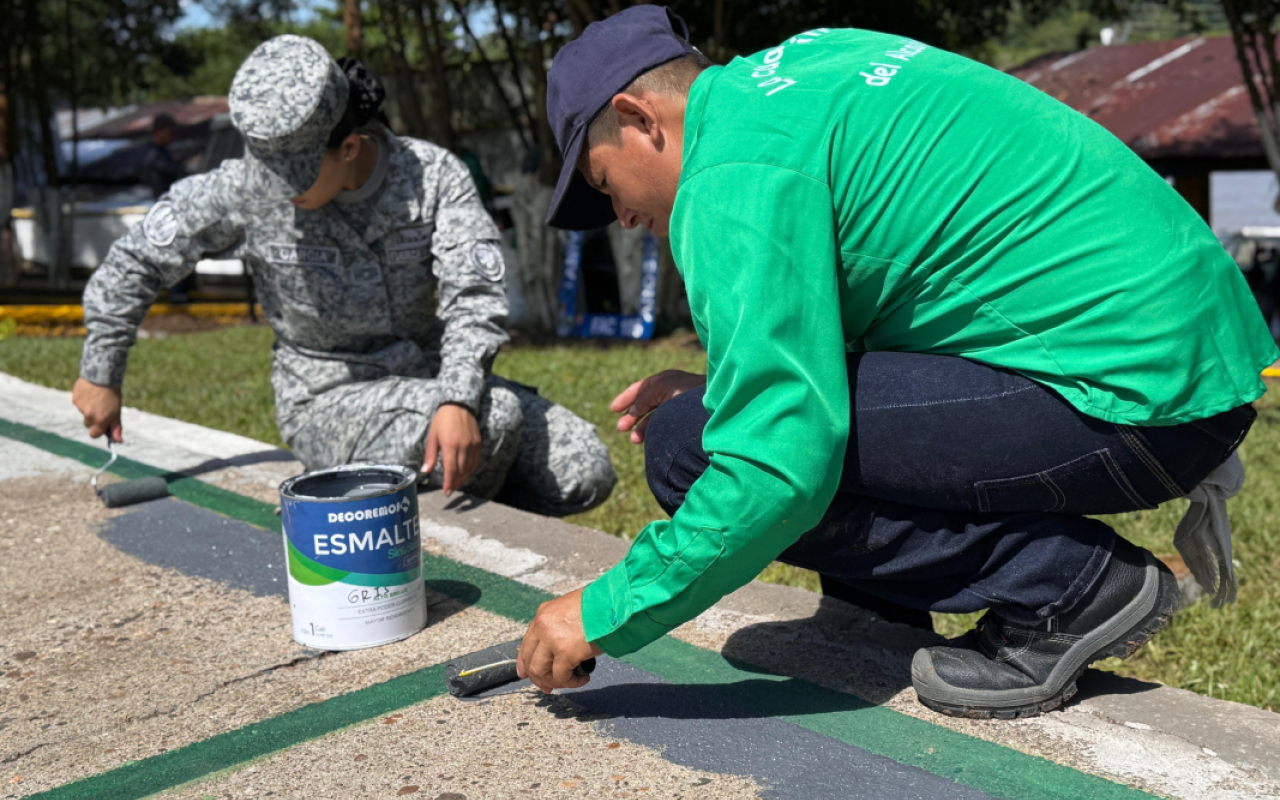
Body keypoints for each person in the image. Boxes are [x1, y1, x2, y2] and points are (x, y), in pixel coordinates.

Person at [513, 7, 1279, 719]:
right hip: (1188, 355)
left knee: (693, 444)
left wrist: (604, 609)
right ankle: (884, 629)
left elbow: (775, 466)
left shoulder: (729, 174)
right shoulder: (810, 64)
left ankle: (1069, 586)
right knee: (734, 414)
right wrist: (731, 382)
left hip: (1134, 395)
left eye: (605, 184)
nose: (621, 217)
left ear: (638, 118)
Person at [72, 35, 616, 518]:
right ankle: (438, 542)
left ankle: (450, 515)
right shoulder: (245, 188)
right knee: (494, 419)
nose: (282, 192)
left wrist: (455, 396)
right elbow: (135, 261)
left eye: (298, 179)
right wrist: (101, 371)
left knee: (582, 468)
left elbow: (475, 296)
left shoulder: (430, 178)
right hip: (327, 395)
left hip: (428, 377)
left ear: (350, 147)